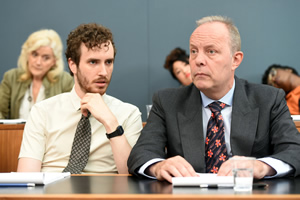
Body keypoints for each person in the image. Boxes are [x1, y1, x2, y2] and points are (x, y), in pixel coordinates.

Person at [128, 15, 300, 183]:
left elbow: (295, 151)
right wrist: (158, 166)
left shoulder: (268, 99)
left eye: (211, 51)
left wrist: (261, 166)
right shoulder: (167, 102)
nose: (198, 60)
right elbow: (141, 154)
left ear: (235, 60)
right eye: (194, 51)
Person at [17, 23, 143, 174]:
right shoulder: (42, 112)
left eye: (108, 62)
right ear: (72, 65)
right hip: (52, 194)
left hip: (104, 194)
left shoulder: (129, 114)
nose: (103, 71)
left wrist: (110, 122)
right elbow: (26, 176)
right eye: (93, 62)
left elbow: (131, 176)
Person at [0, 29, 73, 119]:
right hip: (17, 132)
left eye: (46, 58)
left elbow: (71, 115)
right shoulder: (11, 77)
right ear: (27, 54)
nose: (38, 62)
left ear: (54, 61)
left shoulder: (65, 81)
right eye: (34, 54)